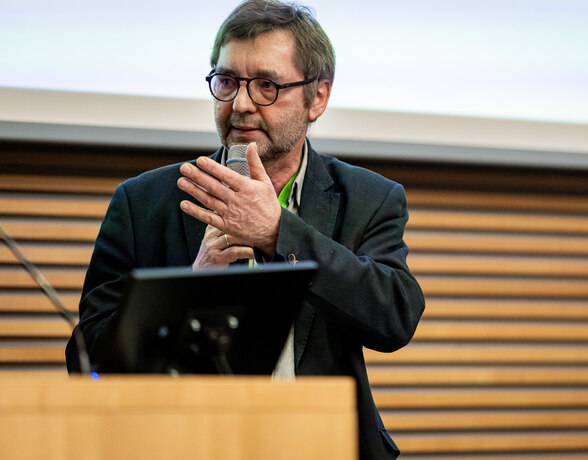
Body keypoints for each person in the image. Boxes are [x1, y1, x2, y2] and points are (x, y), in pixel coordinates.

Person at [66, 0, 425, 458]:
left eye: (267, 86)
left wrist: (280, 233)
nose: (240, 104)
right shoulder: (143, 203)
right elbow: (87, 360)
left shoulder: (369, 198)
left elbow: (394, 317)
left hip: (324, 446)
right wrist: (192, 290)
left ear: (318, 97)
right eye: (227, 81)